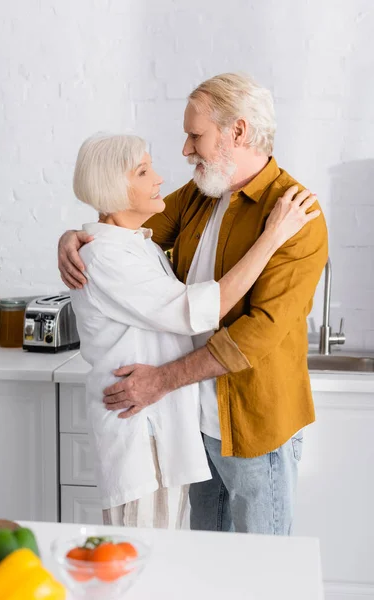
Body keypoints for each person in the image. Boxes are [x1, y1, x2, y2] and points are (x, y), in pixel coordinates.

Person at [58, 72, 328, 535]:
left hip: (252, 428)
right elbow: (124, 234)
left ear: (237, 132)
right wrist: (74, 236)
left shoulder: (293, 214)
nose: (184, 150)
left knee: (260, 574)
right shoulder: (201, 196)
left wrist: (162, 380)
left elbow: (256, 333)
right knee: (205, 568)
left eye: (194, 135)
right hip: (197, 425)